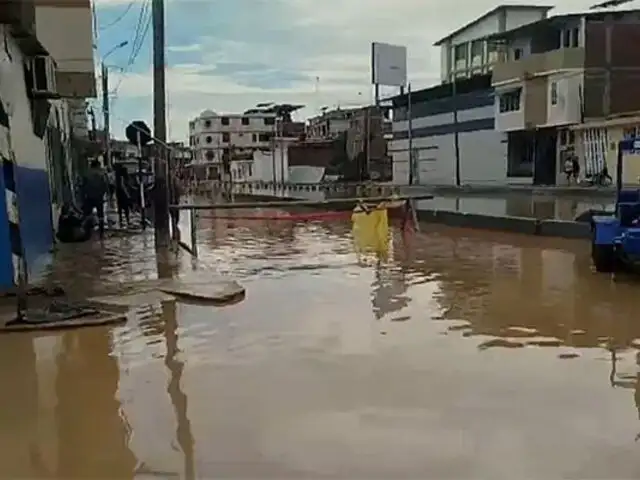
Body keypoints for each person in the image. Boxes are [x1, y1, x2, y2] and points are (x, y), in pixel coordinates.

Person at [81, 160, 108, 237]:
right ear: (97, 166)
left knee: (87, 214)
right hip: (99, 197)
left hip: (88, 197)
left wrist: (83, 197)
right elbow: (105, 186)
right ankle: (101, 233)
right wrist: (105, 195)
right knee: (100, 215)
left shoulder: (86, 173)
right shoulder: (102, 174)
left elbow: (83, 187)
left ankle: (87, 233)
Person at [114, 163, 131, 228]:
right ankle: (127, 220)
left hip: (119, 193)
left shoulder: (117, 176)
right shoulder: (122, 177)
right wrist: (127, 194)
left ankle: (121, 220)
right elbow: (123, 186)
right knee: (126, 208)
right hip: (123, 193)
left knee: (120, 207)